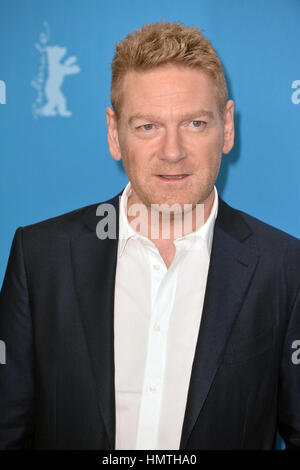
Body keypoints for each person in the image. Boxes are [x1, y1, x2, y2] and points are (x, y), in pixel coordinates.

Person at [0, 21, 299, 451]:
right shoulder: (40, 258)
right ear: (114, 133)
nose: (172, 152)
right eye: (147, 127)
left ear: (227, 127)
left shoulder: (287, 269)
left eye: (195, 123)